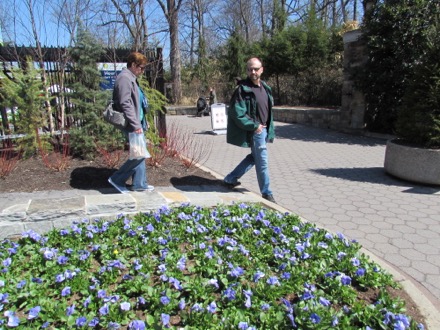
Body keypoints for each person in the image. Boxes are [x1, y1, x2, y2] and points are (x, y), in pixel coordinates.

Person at [223, 57, 276, 203]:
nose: (253, 72)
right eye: (250, 69)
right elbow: (236, 113)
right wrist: (255, 126)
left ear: (262, 70)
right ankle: (267, 193)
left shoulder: (265, 87)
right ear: (247, 70)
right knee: (262, 161)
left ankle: (230, 178)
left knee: (255, 157)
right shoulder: (242, 89)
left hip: (264, 129)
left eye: (256, 69)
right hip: (256, 130)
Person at [108, 52, 154, 193]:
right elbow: (125, 103)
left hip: (136, 122)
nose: (142, 70)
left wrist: (143, 121)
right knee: (139, 154)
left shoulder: (131, 78)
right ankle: (117, 179)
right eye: (141, 67)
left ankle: (140, 184)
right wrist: (136, 125)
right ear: (133, 65)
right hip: (131, 123)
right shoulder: (124, 78)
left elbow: (137, 103)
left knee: (138, 151)